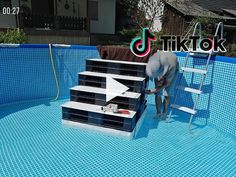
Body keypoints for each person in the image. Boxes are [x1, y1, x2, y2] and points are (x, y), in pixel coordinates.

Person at [145, 51, 179, 119]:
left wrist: (155, 90)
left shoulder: (171, 68)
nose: (159, 83)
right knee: (158, 94)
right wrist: (156, 89)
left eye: (160, 81)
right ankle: (158, 113)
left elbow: (167, 83)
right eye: (158, 81)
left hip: (173, 68)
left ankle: (164, 112)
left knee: (167, 94)